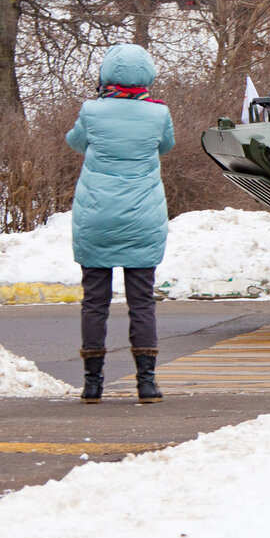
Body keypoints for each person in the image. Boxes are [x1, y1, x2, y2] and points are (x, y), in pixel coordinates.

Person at [66, 44, 175, 404]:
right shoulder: (157, 114)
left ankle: (92, 384)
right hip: (143, 218)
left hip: (96, 217)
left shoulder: (91, 111)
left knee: (94, 301)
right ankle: (147, 383)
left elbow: (76, 142)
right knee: (141, 301)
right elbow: (165, 146)